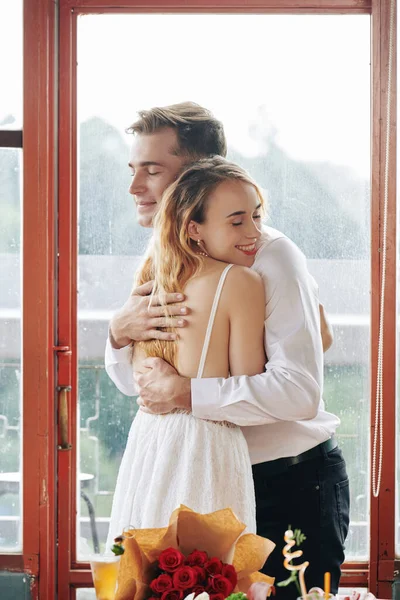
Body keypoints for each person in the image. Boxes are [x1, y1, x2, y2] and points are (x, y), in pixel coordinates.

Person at [105, 102, 349, 599]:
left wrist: (187, 393)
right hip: (203, 485)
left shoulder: (268, 255)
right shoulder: (167, 255)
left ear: (198, 175)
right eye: (133, 170)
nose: (135, 187)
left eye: (152, 170)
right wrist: (117, 333)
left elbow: (299, 390)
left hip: (289, 486)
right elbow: (143, 387)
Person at [106, 157, 268, 549]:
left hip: (148, 442)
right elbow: (251, 391)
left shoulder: (152, 279)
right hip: (208, 447)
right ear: (194, 229)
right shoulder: (241, 282)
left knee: (145, 574)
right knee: (210, 575)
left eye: (257, 216)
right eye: (237, 221)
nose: (255, 233)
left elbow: (136, 382)